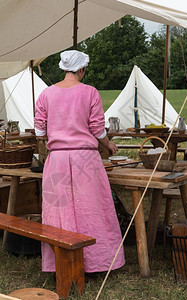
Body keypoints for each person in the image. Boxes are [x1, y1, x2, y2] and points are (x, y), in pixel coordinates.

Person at [34, 50, 125, 273]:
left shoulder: (46, 94)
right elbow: (96, 129)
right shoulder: (90, 92)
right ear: (81, 69)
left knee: (59, 211)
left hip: (57, 159)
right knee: (91, 210)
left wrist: (58, 134)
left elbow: (39, 130)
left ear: (64, 68)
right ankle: (96, 261)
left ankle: (60, 263)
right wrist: (109, 145)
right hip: (85, 158)